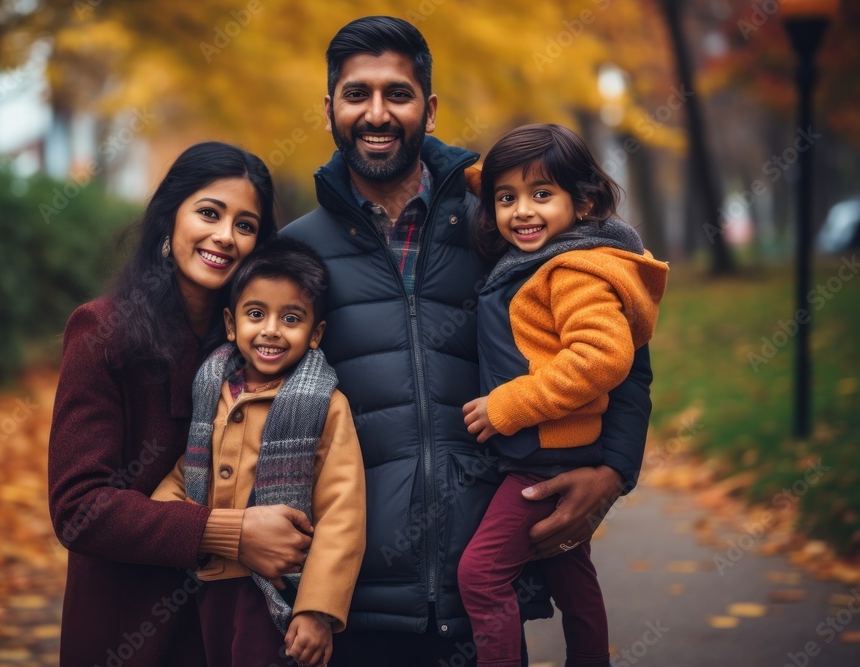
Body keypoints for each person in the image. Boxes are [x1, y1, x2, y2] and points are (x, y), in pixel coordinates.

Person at [280, 16, 655, 666]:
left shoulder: (503, 226)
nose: (376, 112)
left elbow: (620, 351)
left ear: (428, 109)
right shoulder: (295, 252)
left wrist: (613, 470)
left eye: (396, 93)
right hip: (352, 596)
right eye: (356, 93)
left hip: (484, 581)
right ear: (329, 109)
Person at [48, 142, 316, 665]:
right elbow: (78, 508)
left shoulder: (264, 348)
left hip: (236, 628)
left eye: (246, 225)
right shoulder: (102, 333)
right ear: (170, 217)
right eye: (209, 213)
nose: (224, 236)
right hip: (128, 628)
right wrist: (231, 533)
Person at [458, 124, 668, 667]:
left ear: (585, 201)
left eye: (541, 195)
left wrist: (508, 405)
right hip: (559, 451)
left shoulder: (572, 270)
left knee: (480, 575)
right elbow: (506, 184)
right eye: (506, 199)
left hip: (544, 457)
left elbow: (602, 357)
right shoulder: (546, 256)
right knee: (571, 575)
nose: (522, 211)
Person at [150, 238, 366, 667]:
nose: (270, 329)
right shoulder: (214, 389)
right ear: (231, 325)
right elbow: (193, 466)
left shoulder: (323, 403)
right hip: (210, 583)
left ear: (316, 334)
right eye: (256, 314)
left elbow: (343, 512)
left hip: (276, 590)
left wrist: (316, 609)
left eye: (291, 318)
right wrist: (166, 521)